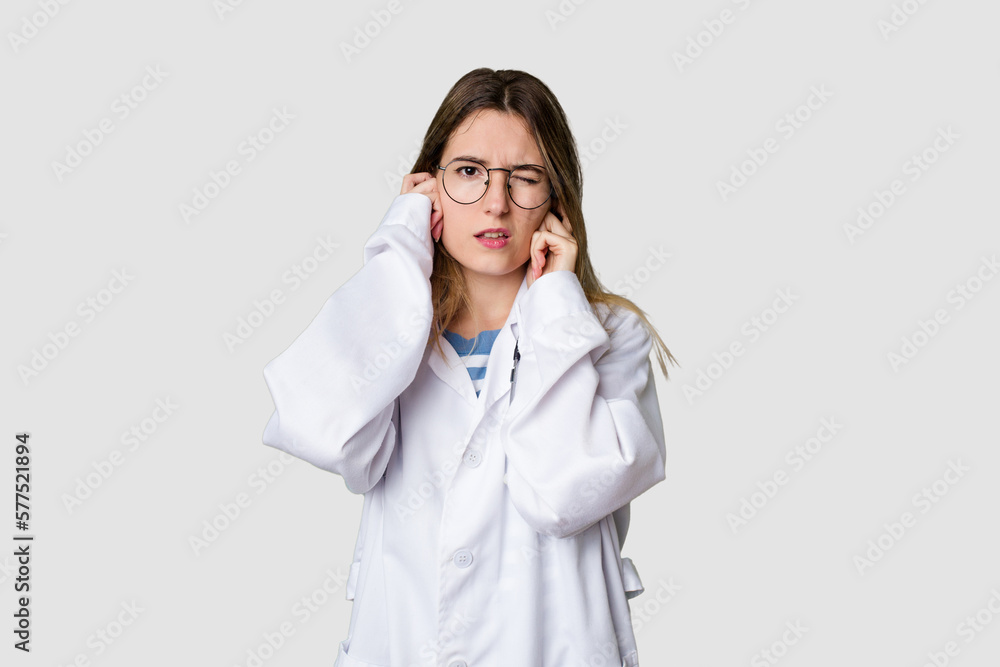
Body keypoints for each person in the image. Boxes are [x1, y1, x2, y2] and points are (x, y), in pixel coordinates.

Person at [261, 67, 678, 667]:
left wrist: (558, 305)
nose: (496, 203)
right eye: (469, 172)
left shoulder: (610, 336)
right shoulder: (393, 332)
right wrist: (399, 253)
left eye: (525, 178)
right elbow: (324, 430)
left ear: (556, 199)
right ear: (428, 187)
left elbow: (564, 493)